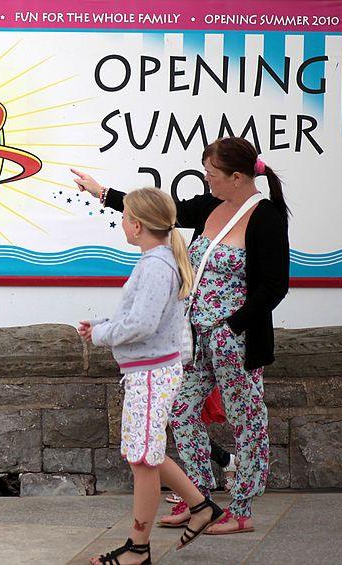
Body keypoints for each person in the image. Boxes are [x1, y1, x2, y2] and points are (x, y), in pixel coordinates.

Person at [73, 137, 290, 535]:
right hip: (194, 337)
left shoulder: (266, 217)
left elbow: (274, 285)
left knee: (247, 420)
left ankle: (241, 510)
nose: (207, 182)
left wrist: (233, 326)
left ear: (237, 177)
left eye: (212, 175)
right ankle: (200, 499)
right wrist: (101, 192)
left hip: (234, 340)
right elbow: (162, 215)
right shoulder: (210, 206)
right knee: (181, 411)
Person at [78, 187, 224, 564]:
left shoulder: (156, 266)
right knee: (148, 453)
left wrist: (101, 334)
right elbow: (144, 320)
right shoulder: (156, 261)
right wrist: (101, 324)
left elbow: (142, 324)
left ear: (137, 225)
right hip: (150, 371)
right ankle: (201, 506)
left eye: (125, 217)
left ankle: (138, 550)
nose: (122, 223)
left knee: (142, 459)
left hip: (150, 374)